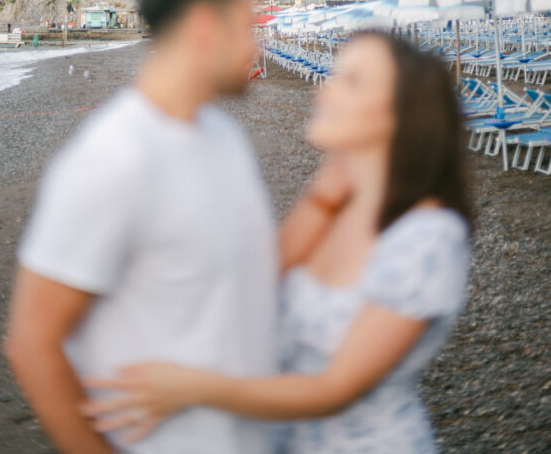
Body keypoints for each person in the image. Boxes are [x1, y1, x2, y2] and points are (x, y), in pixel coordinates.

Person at [82, 32, 472, 454]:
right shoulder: (338, 206)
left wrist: (192, 388)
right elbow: (259, 279)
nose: (324, 90)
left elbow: (335, 389)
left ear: (400, 114)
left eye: (352, 81)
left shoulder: (428, 238)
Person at [4, 0, 278, 454]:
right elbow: (32, 344)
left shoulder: (224, 137)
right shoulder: (113, 159)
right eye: (248, 27)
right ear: (203, 25)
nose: (256, 48)